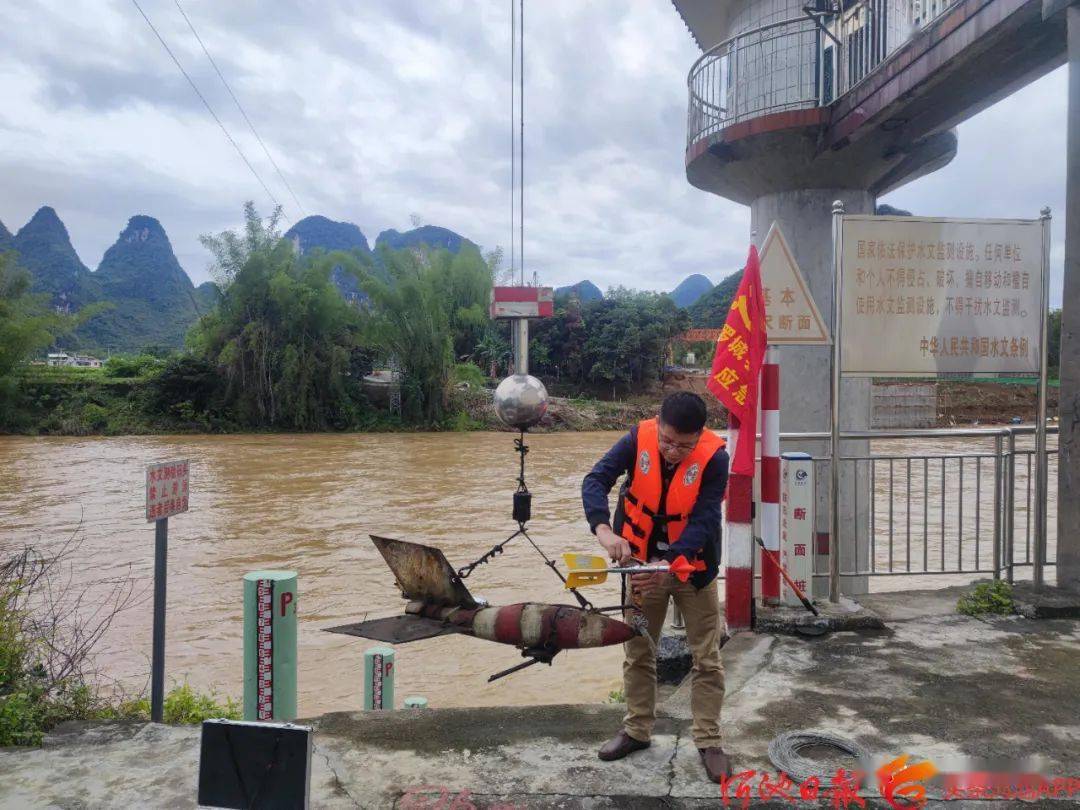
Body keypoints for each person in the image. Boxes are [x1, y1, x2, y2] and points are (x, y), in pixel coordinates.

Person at [581, 391, 732, 783]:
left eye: (683, 445)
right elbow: (595, 479)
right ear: (658, 424)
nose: (671, 451)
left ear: (699, 436)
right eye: (666, 440)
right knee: (638, 651)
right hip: (639, 567)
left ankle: (709, 740)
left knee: (707, 658)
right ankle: (636, 730)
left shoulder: (715, 457)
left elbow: (704, 519)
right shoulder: (636, 439)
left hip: (693, 569)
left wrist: (668, 566)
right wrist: (603, 529)